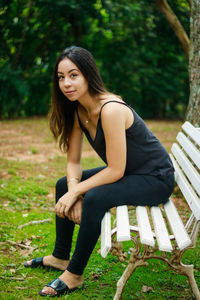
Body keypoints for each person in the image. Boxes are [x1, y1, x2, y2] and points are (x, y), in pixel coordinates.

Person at [24, 46, 175, 297]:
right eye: (61, 77)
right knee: (64, 184)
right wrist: (72, 190)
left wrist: (79, 193)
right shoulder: (77, 109)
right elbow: (73, 161)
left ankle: (74, 274)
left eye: (74, 75)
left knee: (94, 197)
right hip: (130, 172)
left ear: (88, 75)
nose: (66, 83)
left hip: (155, 178)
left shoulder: (111, 109)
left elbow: (115, 170)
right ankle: (60, 257)